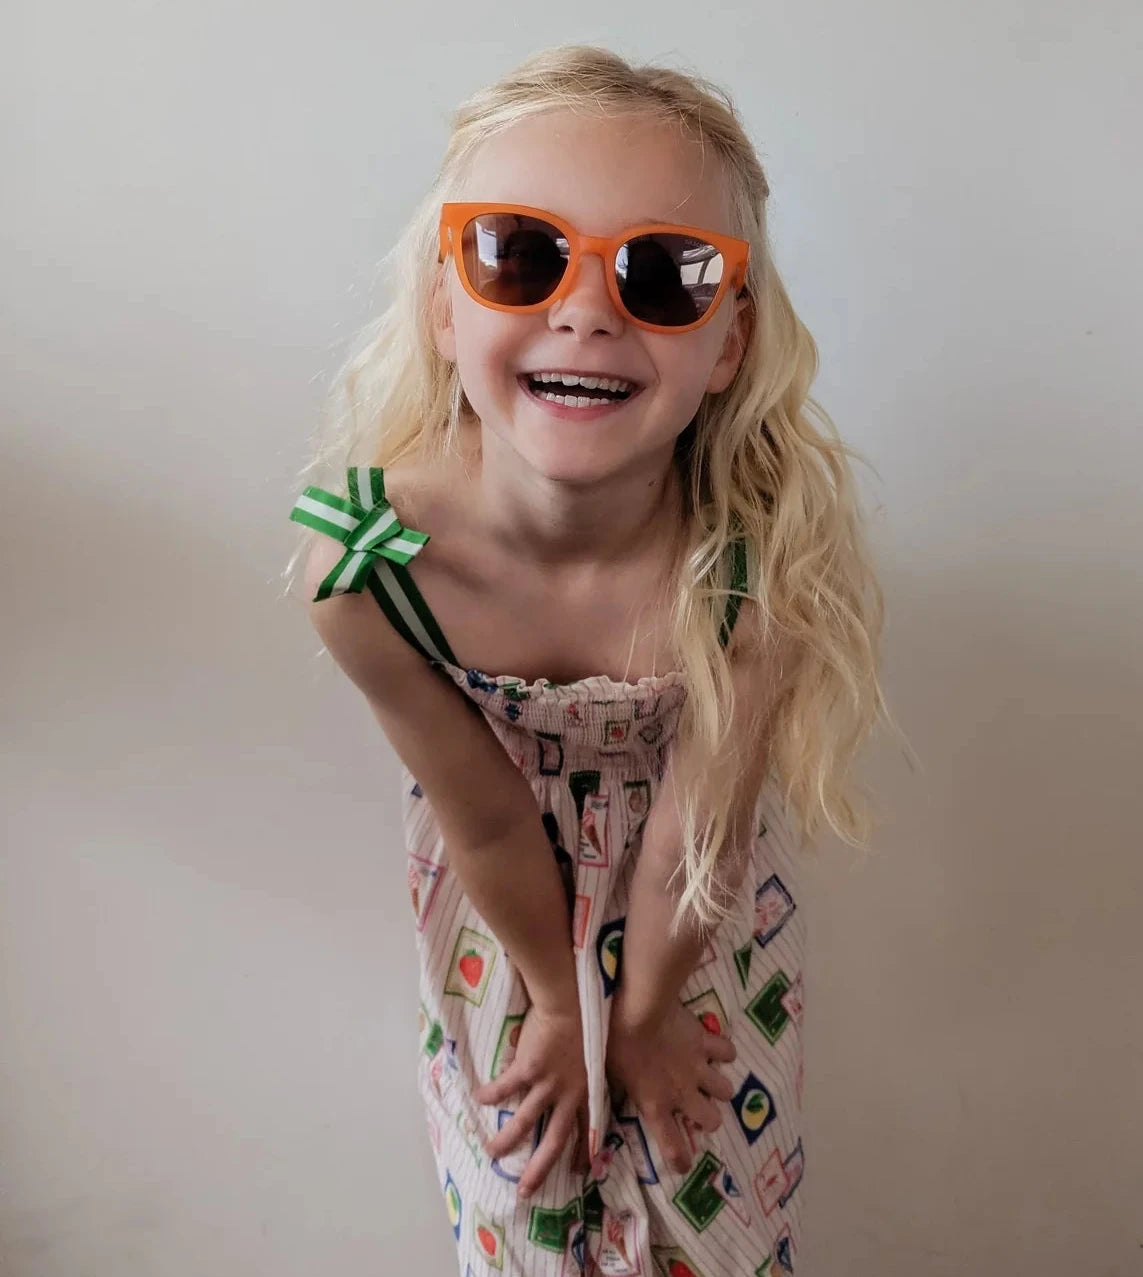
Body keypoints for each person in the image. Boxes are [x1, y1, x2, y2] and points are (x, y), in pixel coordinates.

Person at [285, 43, 897, 1277]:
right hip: (502, 915)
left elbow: (691, 840)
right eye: (519, 254)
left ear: (729, 339)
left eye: (662, 274)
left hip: (698, 918)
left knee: (707, 1212)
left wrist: (645, 1008)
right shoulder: (364, 572)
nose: (584, 311)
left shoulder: (758, 566)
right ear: (445, 305)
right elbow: (486, 820)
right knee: (525, 1207)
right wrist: (561, 1003)